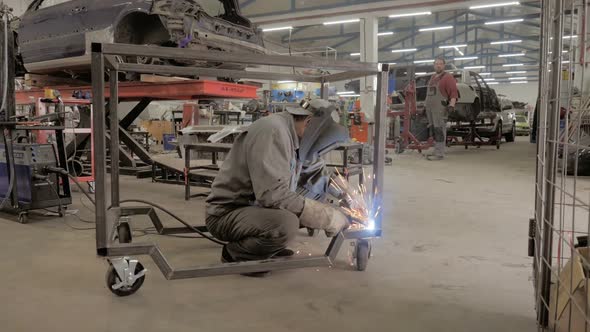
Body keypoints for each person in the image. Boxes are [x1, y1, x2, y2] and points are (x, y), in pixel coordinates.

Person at [205, 106, 350, 277]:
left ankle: (267, 245)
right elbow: (272, 195)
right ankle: (237, 254)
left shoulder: (296, 137)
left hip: (256, 207)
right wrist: (327, 217)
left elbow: (316, 172)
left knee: (316, 192)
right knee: (286, 223)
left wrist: (346, 193)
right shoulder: (273, 131)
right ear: (309, 122)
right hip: (227, 213)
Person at [425, 57, 458, 160]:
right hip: (430, 108)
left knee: (439, 130)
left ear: (444, 65)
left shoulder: (448, 77)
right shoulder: (433, 77)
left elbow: (453, 93)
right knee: (434, 130)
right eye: (436, 64)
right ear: (434, 65)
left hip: (440, 108)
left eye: (440, 64)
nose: (438, 65)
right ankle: (436, 150)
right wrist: (425, 107)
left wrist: (451, 105)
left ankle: (440, 154)